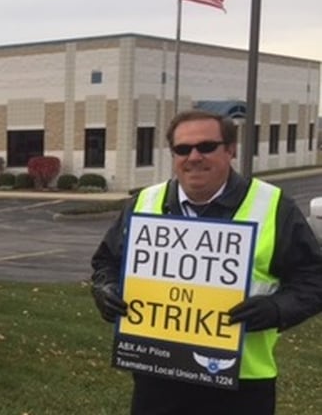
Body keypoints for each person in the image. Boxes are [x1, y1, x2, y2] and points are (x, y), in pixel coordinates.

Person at [90, 109, 322, 415]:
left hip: (241, 382)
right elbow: (106, 261)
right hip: (158, 374)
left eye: (206, 147)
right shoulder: (144, 202)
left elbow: (314, 278)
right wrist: (105, 288)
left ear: (231, 150)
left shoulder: (273, 206)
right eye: (183, 149)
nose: (194, 157)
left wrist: (277, 309)